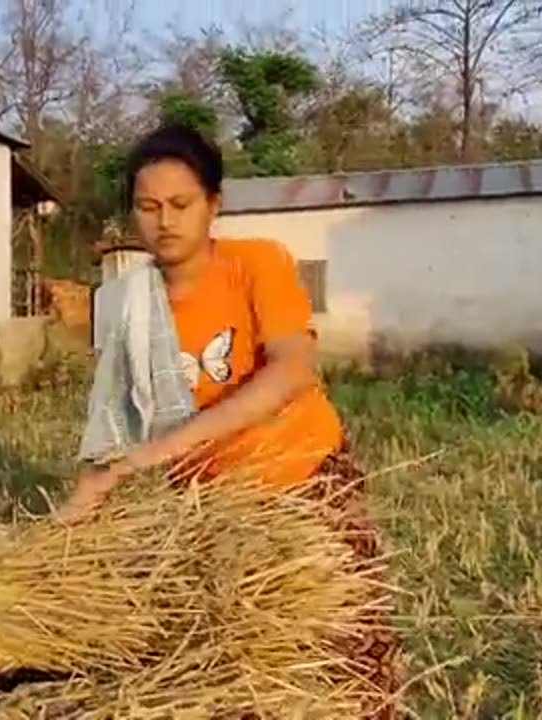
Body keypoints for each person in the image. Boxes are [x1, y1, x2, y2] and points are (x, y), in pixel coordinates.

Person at [58, 123, 400, 719]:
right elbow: (113, 426)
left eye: (181, 204)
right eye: (147, 207)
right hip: (213, 510)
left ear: (213, 205)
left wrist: (151, 454)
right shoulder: (129, 309)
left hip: (305, 482)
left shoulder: (256, 264)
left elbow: (291, 369)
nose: (164, 221)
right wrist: (70, 523)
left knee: (349, 660)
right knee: (235, 670)